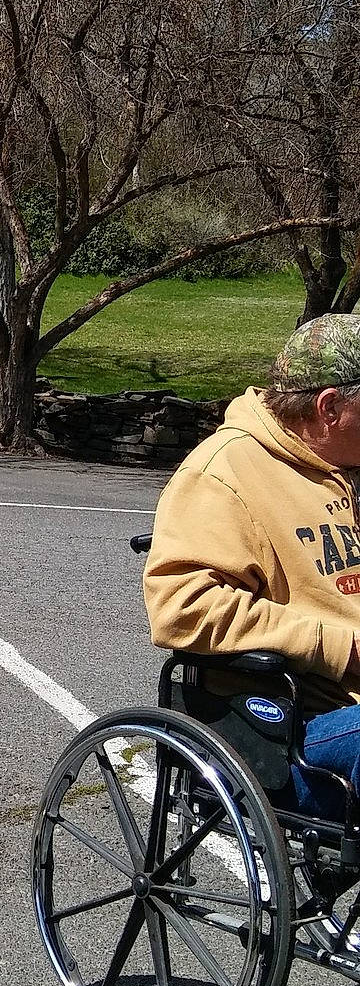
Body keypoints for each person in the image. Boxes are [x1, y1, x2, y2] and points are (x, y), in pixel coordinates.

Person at [144, 313, 360, 802]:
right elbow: (182, 609)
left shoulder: (347, 464)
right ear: (329, 407)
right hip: (297, 726)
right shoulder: (223, 473)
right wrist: (342, 646)